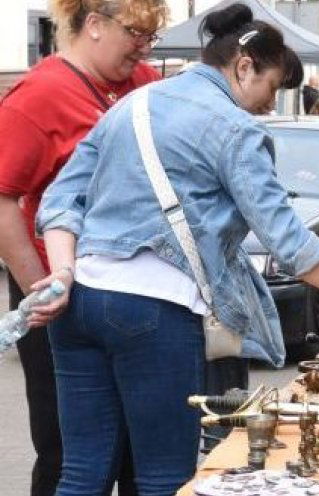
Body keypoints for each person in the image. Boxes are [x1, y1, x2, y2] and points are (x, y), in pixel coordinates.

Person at [31, 4, 319, 494]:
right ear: (244, 65)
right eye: (271, 89)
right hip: (154, 310)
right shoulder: (235, 129)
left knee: (82, 472)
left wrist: (63, 273)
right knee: (166, 476)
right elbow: (290, 245)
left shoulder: (133, 105)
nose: (268, 106)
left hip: (78, 302)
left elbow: (60, 200)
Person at [0, 1, 166, 494]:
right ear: (93, 24)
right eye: (135, 32)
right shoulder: (39, 96)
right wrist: (41, 289)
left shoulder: (146, 83)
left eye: (150, 35)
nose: (143, 45)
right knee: (69, 451)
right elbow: (3, 202)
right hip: (64, 297)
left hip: (140, 297)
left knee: (143, 448)